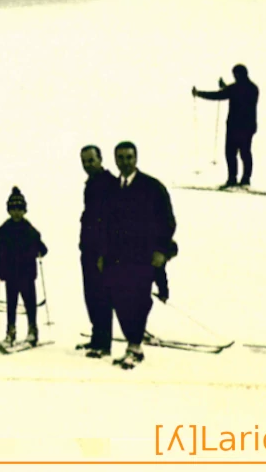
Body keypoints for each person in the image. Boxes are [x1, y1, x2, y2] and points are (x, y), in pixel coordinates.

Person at [98, 142, 177, 369]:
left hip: (143, 257)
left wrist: (161, 250)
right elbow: (104, 224)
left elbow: (168, 221)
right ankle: (134, 342)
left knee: (139, 300)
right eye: (121, 157)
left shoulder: (152, 187)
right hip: (116, 257)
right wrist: (103, 254)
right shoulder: (111, 189)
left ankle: (134, 346)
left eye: (129, 157)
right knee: (118, 300)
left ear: (136, 158)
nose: (125, 162)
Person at [0, 187, 48, 346]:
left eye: (20, 209)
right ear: (9, 210)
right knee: (11, 304)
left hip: (27, 273)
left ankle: (32, 330)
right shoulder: (3, 231)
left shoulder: (30, 230)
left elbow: (42, 247)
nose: (17, 212)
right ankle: (10, 331)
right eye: (13, 209)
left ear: (24, 210)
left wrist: (40, 251)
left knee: (30, 303)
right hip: (10, 274)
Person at [77, 145, 117, 354]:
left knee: (102, 296)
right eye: (84, 161)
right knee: (91, 294)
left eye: (91, 160)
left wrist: (104, 252)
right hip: (88, 248)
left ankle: (104, 343)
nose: (88, 165)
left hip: (102, 250)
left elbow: (108, 221)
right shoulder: (91, 184)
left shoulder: (108, 184)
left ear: (100, 159)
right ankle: (96, 337)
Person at [193, 64, 259, 188]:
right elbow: (231, 92)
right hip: (248, 125)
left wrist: (199, 93)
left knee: (231, 153)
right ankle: (245, 179)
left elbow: (218, 95)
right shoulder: (253, 88)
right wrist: (225, 87)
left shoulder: (235, 88)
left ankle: (232, 178)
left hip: (235, 125)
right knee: (245, 153)